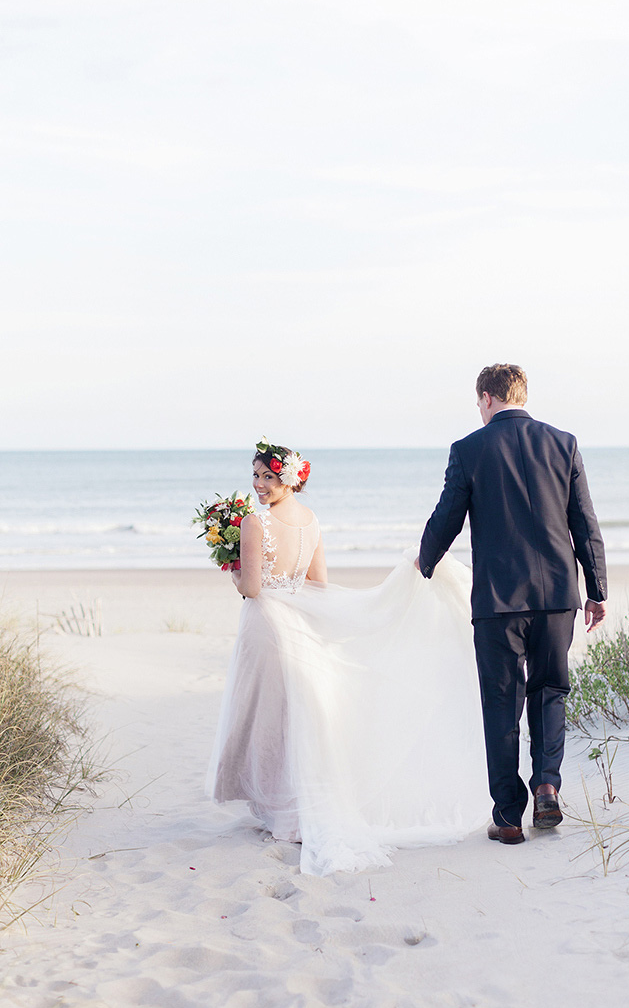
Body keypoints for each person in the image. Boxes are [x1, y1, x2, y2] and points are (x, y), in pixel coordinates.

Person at [206, 438, 491, 875]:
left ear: (288, 479)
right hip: (298, 624)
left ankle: (279, 811)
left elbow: (253, 588)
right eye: (256, 475)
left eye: (268, 476)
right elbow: (318, 586)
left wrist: (232, 570)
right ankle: (293, 809)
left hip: (265, 624)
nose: (260, 484)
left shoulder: (252, 523)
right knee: (294, 717)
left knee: (266, 715)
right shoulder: (312, 521)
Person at [418, 364, 607, 846]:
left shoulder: (469, 449)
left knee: (501, 703)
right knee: (550, 691)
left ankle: (507, 817)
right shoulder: (562, 443)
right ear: (522, 394)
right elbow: (584, 522)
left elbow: (448, 517)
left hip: (499, 601)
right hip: (558, 597)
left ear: (486, 398)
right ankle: (546, 785)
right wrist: (597, 590)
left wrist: (424, 561)